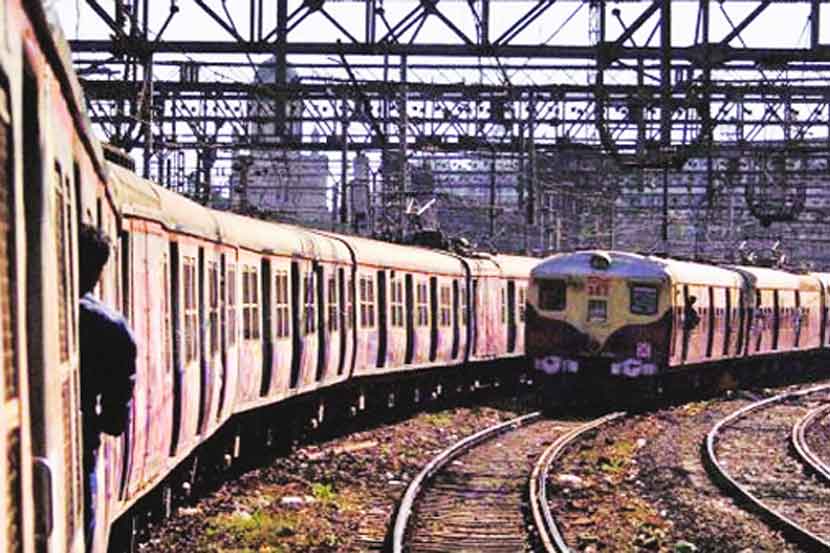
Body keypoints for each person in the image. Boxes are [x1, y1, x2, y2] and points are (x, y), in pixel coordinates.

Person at [79, 223, 136, 553]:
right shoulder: (108, 324)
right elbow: (119, 397)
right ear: (99, 270)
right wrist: (108, 421)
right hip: (82, 440)